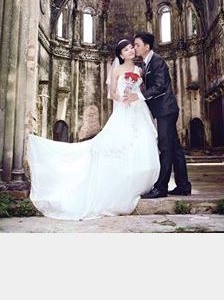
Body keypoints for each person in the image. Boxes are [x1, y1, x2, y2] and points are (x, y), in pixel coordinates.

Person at [27, 39, 160, 220]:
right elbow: (112, 93)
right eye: (126, 49)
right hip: (124, 109)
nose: (130, 51)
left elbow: (145, 90)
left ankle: (140, 180)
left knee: (142, 140)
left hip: (138, 109)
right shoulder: (116, 70)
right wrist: (122, 97)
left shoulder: (140, 70)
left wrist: (134, 95)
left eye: (131, 48)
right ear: (121, 55)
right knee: (117, 145)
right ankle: (121, 182)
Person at [123, 31, 191, 198]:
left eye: (137, 45)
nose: (134, 47)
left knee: (165, 148)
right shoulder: (147, 63)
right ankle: (183, 186)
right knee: (175, 148)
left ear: (146, 47)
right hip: (163, 110)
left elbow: (160, 86)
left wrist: (138, 96)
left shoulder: (157, 61)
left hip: (166, 110)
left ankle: (161, 188)